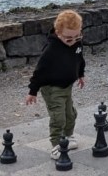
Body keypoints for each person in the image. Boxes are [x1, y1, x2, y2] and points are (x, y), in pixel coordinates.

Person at [25, 9, 85, 158]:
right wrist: (32, 91)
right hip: (52, 88)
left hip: (67, 86)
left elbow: (79, 59)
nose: (73, 41)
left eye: (77, 36)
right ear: (58, 33)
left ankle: (68, 136)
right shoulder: (51, 49)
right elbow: (39, 71)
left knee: (71, 114)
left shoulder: (77, 42)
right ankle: (56, 144)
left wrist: (81, 74)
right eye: (68, 39)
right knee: (58, 117)